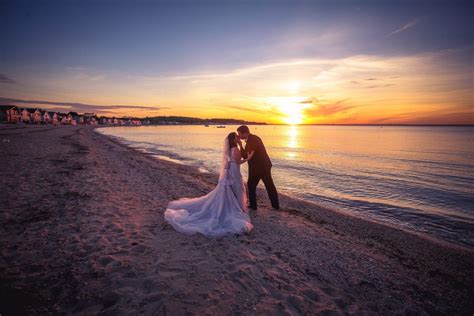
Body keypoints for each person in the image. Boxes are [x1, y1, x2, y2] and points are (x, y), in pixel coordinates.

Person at [164, 132, 254, 237]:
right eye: (236, 137)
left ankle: (237, 206)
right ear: (233, 139)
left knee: (232, 189)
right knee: (237, 189)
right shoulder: (236, 150)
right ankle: (237, 207)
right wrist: (248, 158)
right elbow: (238, 162)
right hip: (234, 172)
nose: (238, 138)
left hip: (230, 171)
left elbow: (227, 163)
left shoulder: (230, 150)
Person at [237, 125, 279, 210]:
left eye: (239, 133)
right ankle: (275, 206)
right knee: (269, 185)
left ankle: (253, 206)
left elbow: (246, 156)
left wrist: (240, 145)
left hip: (258, 168)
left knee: (251, 185)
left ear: (244, 133)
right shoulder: (254, 138)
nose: (239, 136)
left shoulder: (251, 141)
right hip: (264, 166)